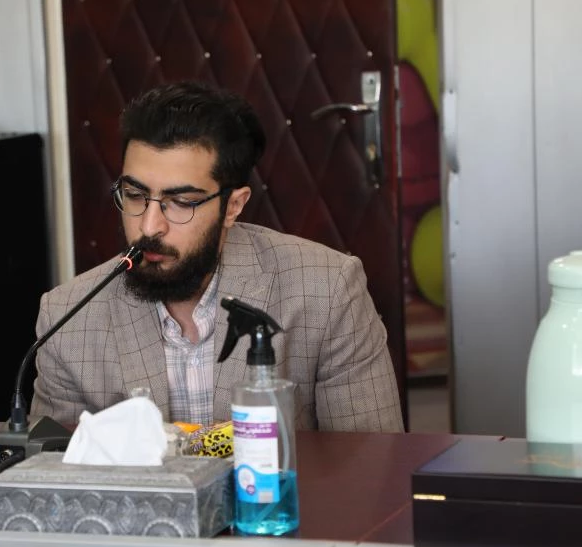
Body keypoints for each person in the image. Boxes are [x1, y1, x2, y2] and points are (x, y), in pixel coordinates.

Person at [30, 81, 404, 432]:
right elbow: (49, 472)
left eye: (181, 202)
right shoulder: (67, 319)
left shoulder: (328, 291)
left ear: (233, 206)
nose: (149, 226)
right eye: (135, 195)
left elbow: (371, 460)